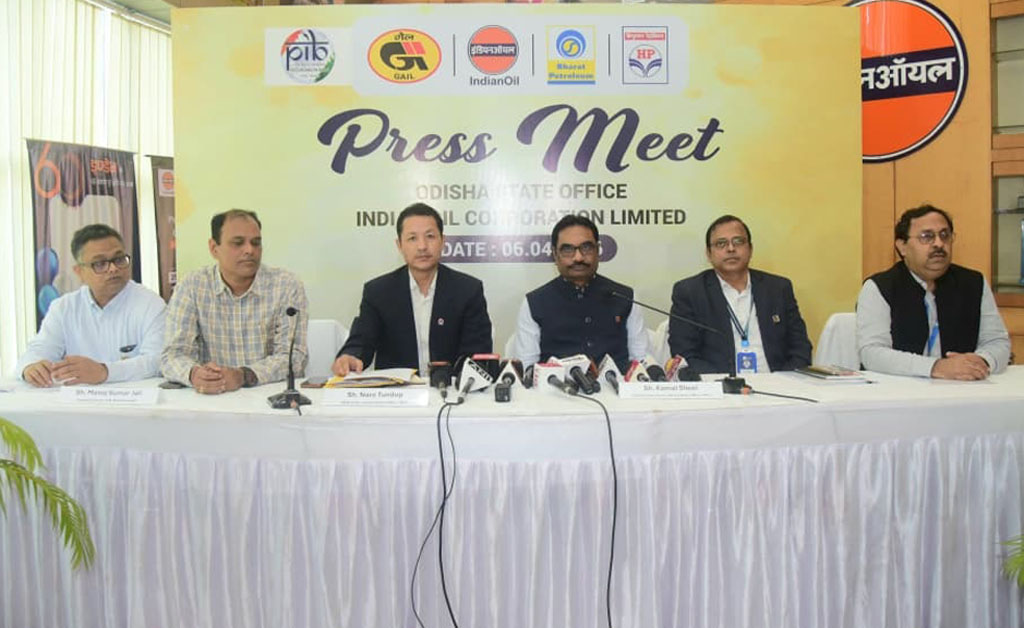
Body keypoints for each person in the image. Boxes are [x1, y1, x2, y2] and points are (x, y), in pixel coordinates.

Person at [332, 203, 492, 376]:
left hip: (451, 389)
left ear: (443, 241)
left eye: (430, 236)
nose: (422, 246)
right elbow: (361, 340)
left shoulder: (468, 290)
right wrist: (350, 357)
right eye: (412, 238)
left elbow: (477, 353)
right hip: (398, 390)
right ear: (399, 245)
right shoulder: (378, 292)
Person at [161, 209, 308, 393]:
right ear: (214, 248)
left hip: (270, 398)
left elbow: (294, 358)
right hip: (211, 398)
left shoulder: (286, 285)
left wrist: (243, 375)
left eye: (256, 243)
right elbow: (173, 355)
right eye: (238, 243)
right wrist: (195, 374)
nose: (249, 250)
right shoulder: (192, 286)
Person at [857, 204, 1010, 379]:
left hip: (962, 387)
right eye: (926, 237)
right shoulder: (879, 287)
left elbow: (997, 341)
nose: (939, 243)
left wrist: (980, 361)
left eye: (945, 235)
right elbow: (872, 353)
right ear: (902, 246)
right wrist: (936, 367)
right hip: (899, 388)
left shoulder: (973, 283)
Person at [17, 224, 165, 387]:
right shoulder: (64, 308)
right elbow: (41, 348)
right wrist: (30, 367)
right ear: (79, 272)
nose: (113, 269)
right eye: (100, 263)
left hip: (135, 399)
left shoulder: (151, 304)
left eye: (119, 259)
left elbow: (157, 360)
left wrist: (105, 372)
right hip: (77, 399)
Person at [669, 214, 812, 374]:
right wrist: (725, 383)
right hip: (722, 384)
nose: (731, 249)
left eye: (738, 241)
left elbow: (800, 348)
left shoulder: (778, 288)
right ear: (709, 254)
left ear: (750, 249)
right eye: (721, 243)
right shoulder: (690, 292)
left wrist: (782, 380)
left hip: (778, 381)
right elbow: (685, 354)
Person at [512, 214, 647, 370]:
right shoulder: (534, 303)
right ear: (555, 254)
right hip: (556, 385)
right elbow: (527, 368)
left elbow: (641, 361)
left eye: (586, 248)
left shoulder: (625, 297)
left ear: (598, 250)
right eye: (568, 250)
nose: (578, 257)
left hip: (619, 384)